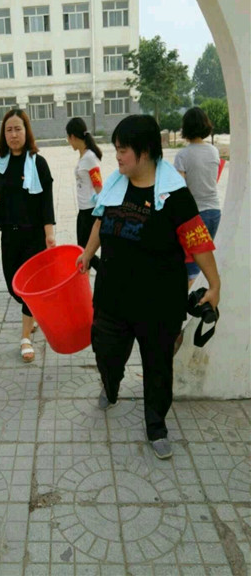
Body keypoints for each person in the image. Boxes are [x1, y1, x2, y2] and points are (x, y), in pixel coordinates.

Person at [77, 115, 220, 460]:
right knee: (106, 352)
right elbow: (100, 220)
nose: (117, 156)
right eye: (116, 149)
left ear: (144, 152)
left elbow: (198, 240)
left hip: (158, 302)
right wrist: (87, 253)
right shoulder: (116, 184)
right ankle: (111, 384)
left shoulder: (174, 195)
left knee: (157, 367)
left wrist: (215, 284)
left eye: (123, 150)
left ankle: (156, 426)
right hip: (112, 296)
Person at [0, 109, 56, 363]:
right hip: (9, 235)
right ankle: (32, 313)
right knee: (14, 287)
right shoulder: (0, 164)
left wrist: (49, 234)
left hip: (34, 237)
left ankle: (25, 337)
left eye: (18, 129)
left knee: (29, 288)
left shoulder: (38, 163)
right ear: (4, 134)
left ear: (27, 131)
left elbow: (46, 201)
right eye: (9, 130)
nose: (13, 134)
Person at [174, 107, 221, 286]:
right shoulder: (213, 151)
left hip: (195, 216)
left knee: (192, 268)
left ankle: (189, 301)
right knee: (205, 262)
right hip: (215, 212)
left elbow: (180, 190)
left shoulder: (183, 155)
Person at [66, 117, 103, 270]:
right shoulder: (84, 156)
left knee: (85, 251)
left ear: (73, 137)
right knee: (82, 250)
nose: (68, 141)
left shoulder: (89, 158)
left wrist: (102, 211)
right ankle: (86, 279)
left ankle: (106, 273)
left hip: (90, 211)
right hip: (83, 210)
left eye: (68, 138)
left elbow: (98, 185)